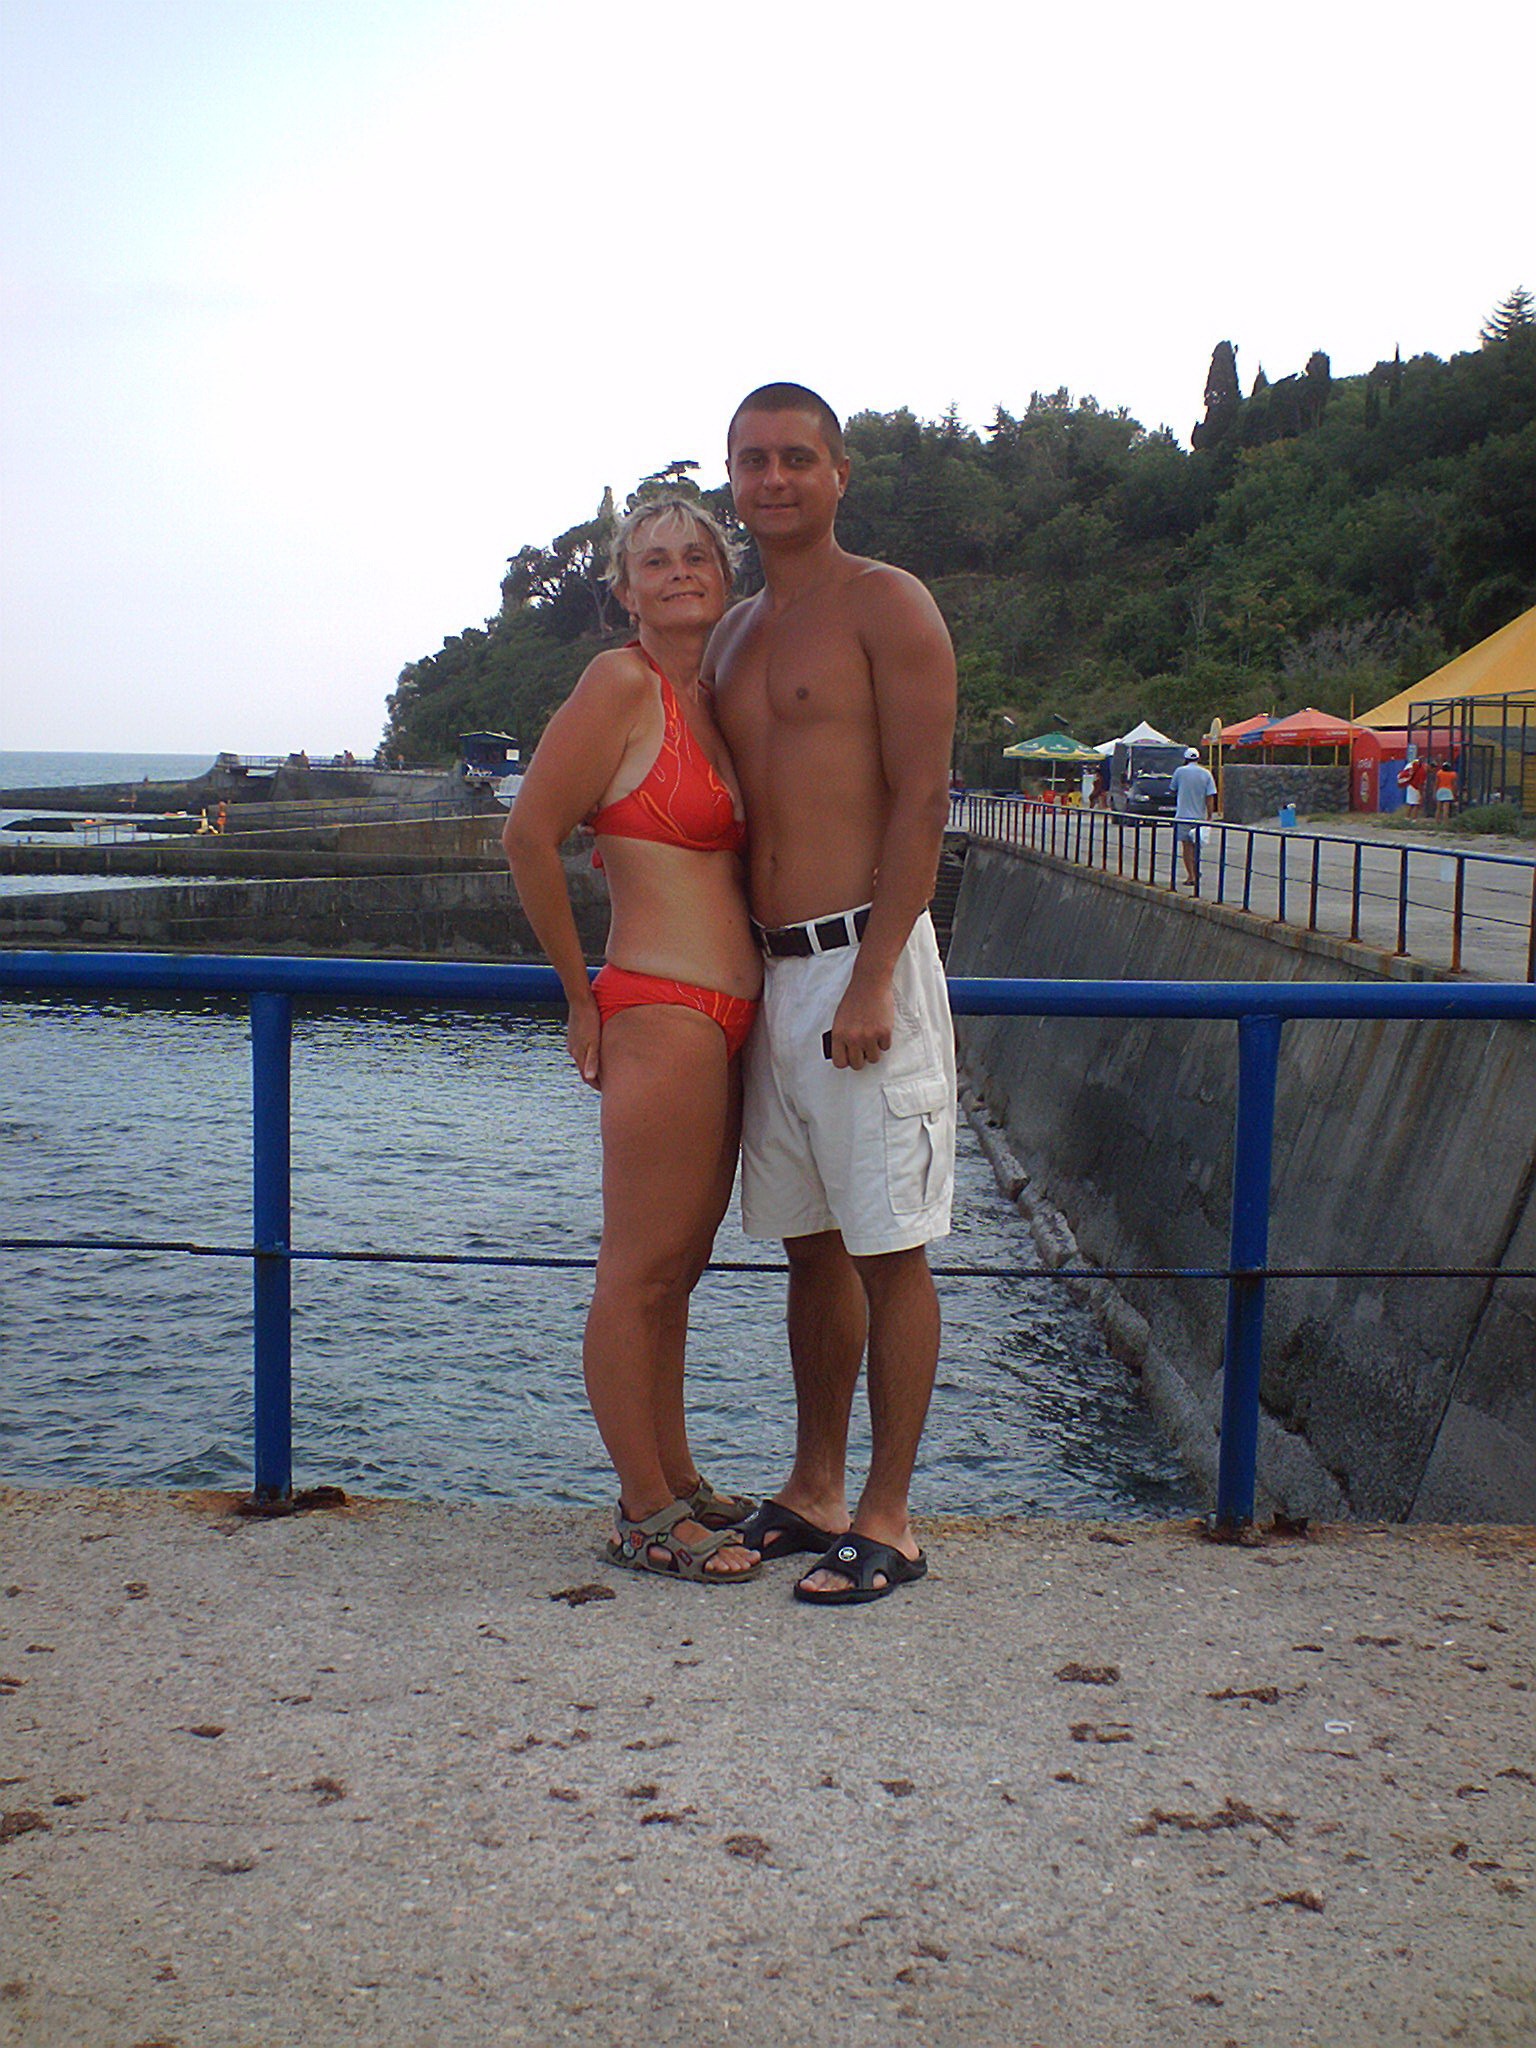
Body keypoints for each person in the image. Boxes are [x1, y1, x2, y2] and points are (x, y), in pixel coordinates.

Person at [708, 382, 958, 1607]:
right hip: (767, 975)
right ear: (733, 477)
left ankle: (889, 1515)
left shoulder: (886, 604)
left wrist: (871, 978)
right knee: (810, 1246)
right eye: (754, 459)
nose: (774, 479)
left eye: (797, 457)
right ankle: (815, 1488)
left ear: (839, 472)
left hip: (866, 965)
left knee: (889, 1249)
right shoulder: (732, 635)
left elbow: (923, 798)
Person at [503, 497, 763, 1584]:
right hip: (660, 1008)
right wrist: (580, 995)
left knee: (681, 1269)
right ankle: (644, 1511)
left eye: (697, 555)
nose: (679, 571)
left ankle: (676, 1477)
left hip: (732, 1016)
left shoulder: (722, 698)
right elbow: (527, 834)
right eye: (654, 560)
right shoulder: (620, 684)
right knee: (638, 1269)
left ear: (725, 576)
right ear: (624, 590)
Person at [1170, 745, 1218, 889]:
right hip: (1199, 817)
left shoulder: (1179, 771)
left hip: (1183, 816)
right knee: (1196, 847)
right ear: (1198, 758)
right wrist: (1209, 816)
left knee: (1186, 847)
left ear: (1185, 758)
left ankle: (1191, 876)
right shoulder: (1206, 774)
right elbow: (1210, 796)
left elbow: (1172, 789)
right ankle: (1196, 871)